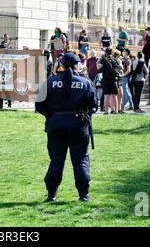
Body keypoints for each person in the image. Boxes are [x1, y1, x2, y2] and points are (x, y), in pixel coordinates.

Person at [35, 53, 97, 203]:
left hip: (55, 124)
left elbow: (39, 105)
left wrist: (52, 115)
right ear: (77, 65)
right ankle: (83, 195)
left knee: (56, 160)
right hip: (79, 124)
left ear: (61, 65)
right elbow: (93, 105)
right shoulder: (86, 82)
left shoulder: (50, 82)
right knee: (81, 160)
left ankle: (51, 194)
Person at [97, 48, 120, 114]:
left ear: (105, 52)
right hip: (114, 79)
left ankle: (107, 111)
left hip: (106, 79)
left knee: (106, 96)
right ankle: (116, 111)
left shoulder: (104, 59)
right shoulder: (114, 59)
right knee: (114, 96)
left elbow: (98, 67)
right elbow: (119, 67)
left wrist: (98, 62)